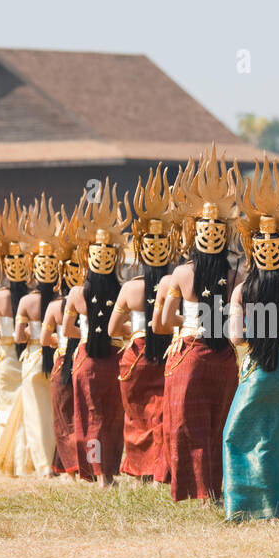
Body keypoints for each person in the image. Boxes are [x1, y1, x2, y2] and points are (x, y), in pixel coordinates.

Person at [222, 157, 279, 520]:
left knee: (240, 437)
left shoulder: (241, 291)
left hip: (256, 371)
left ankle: (247, 506)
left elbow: (237, 338)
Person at [159, 150, 242, 502]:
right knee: (219, 424)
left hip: (188, 355)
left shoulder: (180, 273)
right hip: (224, 356)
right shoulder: (236, 273)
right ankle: (218, 490)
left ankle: (194, 490)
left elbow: (163, 322)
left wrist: (189, 322)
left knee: (185, 426)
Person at [110, 168, 178, 484]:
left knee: (136, 418)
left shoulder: (130, 288)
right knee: (163, 416)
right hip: (168, 355)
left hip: (135, 356)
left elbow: (112, 329)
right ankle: (161, 468)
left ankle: (139, 473)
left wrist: (133, 334)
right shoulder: (174, 283)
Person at [62, 181, 129, 485]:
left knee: (90, 418)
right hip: (115, 358)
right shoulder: (123, 289)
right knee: (114, 418)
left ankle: (98, 474)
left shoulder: (76, 293)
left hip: (86, 360)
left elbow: (66, 330)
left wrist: (88, 330)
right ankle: (111, 472)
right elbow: (126, 328)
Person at [0, 196, 65, 477]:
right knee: (55, 414)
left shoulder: (26, 302)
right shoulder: (61, 300)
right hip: (57, 357)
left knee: (36, 417)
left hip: (33, 359)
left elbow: (19, 337)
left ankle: (44, 465)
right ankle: (60, 462)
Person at [0, 199, 31, 455]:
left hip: (5, 355)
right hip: (26, 354)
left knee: (5, 404)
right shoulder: (32, 297)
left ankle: (7, 454)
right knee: (24, 403)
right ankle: (24, 452)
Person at [43, 211, 85, 477]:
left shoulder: (77, 301)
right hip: (68, 360)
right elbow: (47, 338)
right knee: (65, 416)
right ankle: (63, 465)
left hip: (75, 359)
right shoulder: (58, 306)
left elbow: (46, 339)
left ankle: (72, 465)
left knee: (69, 417)